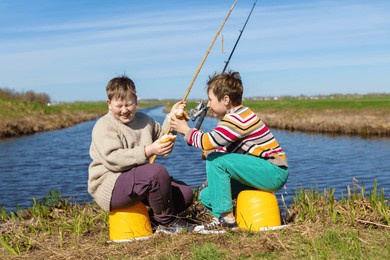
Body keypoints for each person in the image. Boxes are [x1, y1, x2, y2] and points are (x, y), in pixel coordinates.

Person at [169, 71, 288, 232]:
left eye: (210, 99)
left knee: (217, 160)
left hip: (273, 171)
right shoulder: (234, 117)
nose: (209, 105)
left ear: (225, 99)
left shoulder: (238, 118)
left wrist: (186, 130)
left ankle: (227, 220)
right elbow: (220, 145)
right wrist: (211, 151)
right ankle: (223, 217)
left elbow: (208, 141)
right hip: (258, 172)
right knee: (208, 195)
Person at [88, 75, 195, 233]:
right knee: (156, 172)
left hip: (138, 182)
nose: (124, 110)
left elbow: (161, 136)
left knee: (185, 194)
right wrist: (148, 151)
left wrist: (172, 117)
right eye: (119, 106)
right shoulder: (104, 125)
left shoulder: (145, 120)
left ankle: (151, 218)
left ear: (136, 100)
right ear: (109, 104)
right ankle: (166, 223)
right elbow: (113, 159)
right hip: (110, 186)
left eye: (129, 104)